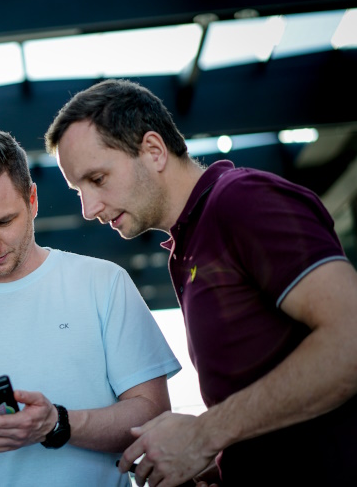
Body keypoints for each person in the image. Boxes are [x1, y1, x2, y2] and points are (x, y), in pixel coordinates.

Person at [46, 78, 357, 486]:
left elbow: (351, 338)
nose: (88, 209)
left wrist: (204, 434)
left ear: (154, 151)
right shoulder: (187, 246)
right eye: (77, 191)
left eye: (97, 179)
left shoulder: (241, 200)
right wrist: (220, 458)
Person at [0, 125, 181, 487]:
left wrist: (55, 423)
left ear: (32, 200)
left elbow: (153, 415)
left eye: (3, 221)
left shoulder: (103, 284)